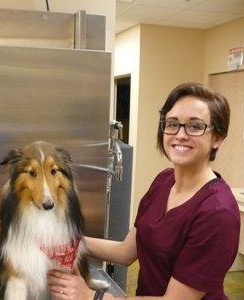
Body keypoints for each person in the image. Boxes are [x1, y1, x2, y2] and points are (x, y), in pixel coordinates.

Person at [47, 82, 240, 299]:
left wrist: (93, 296)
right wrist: (65, 238)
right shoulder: (164, 181)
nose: (180, 135)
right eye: (172, 124)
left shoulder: (217, 212)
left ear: (217, 138)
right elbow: (126, 251)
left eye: (195, 127)